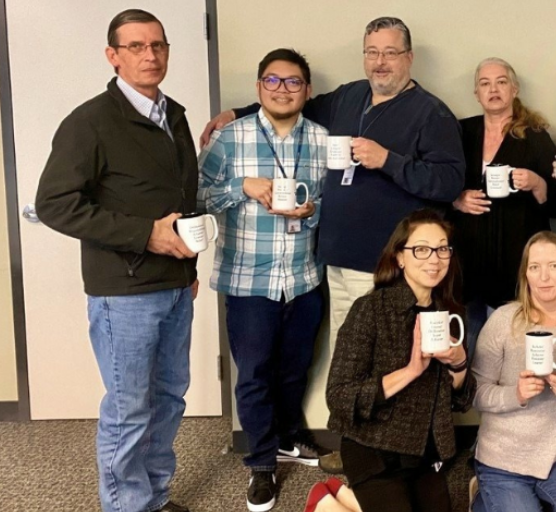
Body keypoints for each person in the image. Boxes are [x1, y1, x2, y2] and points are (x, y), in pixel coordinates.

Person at [201, 17, 465, 358]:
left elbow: (449, 182)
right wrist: (237, 112)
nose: (379, 62)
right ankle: (349, 414)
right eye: (372, 52)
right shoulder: (350, 95)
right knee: (347, 359)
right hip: (336, 261)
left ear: (409, 57)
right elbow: (295, 104)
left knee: (385, 357)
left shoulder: (432, 113)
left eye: (389, 53)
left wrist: (388, 160)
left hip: (386, 265)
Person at [34, 9, 198, 512]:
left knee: (169, 401)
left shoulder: (174, 115)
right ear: (113, 56)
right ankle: (127, 506)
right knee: (129, 411)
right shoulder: (90, 122)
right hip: (123, 293)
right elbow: (54, 204)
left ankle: (153, 497)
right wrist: (145, 236)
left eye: (158, 45)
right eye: (136, 47)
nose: (150, 55)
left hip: (174, 286)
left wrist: (187, 271)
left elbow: (179, 197)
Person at [198, 48, 331, 511]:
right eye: (272, 81)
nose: (282, 89)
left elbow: (334, 203)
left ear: (306, 91)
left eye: (293, 82)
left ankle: (289, 438)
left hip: (303, 277)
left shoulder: (320, 139)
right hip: (248, 279)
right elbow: (197, 195)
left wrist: (312, 213)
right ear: (258, 88)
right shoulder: (229, 138)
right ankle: (260, 462)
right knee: (253, 374)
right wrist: (243, 187)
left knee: (295, 368)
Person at [326, 209, 474, 512]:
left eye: (442, 248)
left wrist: (459, 363)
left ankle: (343, 503)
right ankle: (330, 501)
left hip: (422, 454)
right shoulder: (371, 310)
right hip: (372, 448)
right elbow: (338, 396)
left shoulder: (450, 313)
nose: (434, 259)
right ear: (400, 257)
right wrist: (410, 372)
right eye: (421, 249)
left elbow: (460, 401)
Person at [470, 232, 556, 512]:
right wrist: (517, 394)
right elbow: (475, 392)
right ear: (526, 275)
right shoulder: (503, 320)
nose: (544, 277)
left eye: (554, 266)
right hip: (502, 458)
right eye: (535, 267)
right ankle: (484, 495)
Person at [451, 57, 556, 355]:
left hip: (516, 264)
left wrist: (537, 183)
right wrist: (457, 199)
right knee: (465, 348)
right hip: (468, 263)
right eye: (485, 83)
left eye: (501, 82)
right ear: (476, 93)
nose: (493, 89)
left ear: (514, 89)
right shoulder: (462, 132)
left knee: (507, 351)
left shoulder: (535, 136)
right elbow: (438, 184)